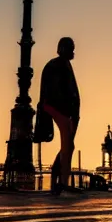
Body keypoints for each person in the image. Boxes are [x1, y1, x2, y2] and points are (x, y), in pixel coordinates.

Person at [38, 37, 81, 196]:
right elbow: (58, 92)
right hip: (60, 109)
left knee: (68, 145)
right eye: (71, 48)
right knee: (68, 145)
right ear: (63, 49)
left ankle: (58, 177)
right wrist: (69, 112)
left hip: (63, 110)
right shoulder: (58, 65)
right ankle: (63, 183)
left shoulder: (59, 65)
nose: (73, 52)